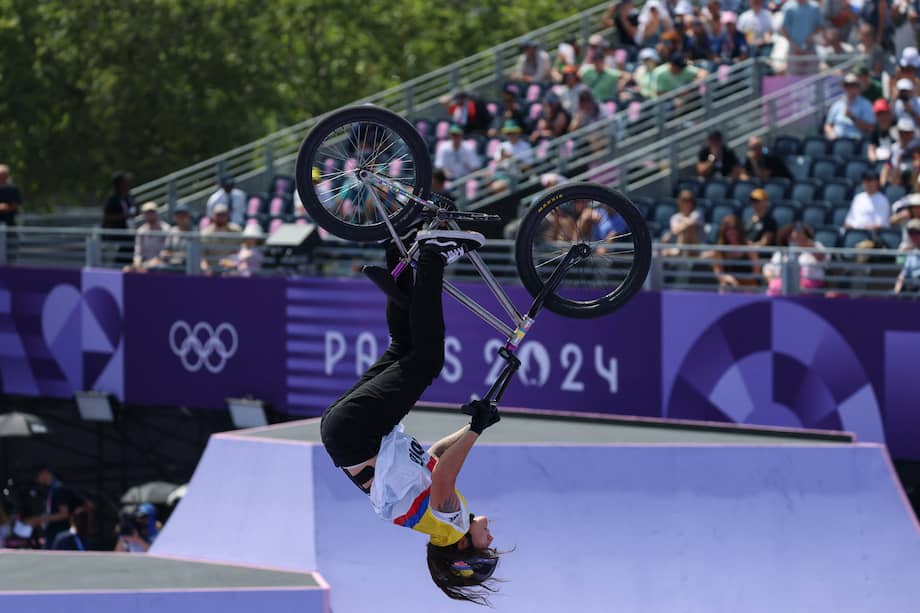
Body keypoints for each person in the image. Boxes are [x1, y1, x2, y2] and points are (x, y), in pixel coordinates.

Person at [320, 227, 504, 605]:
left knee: (428, 359)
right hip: (345, 435)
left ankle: (433, 254)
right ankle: (399, 246)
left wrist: (477, 431)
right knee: (404, 345)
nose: (491, 540)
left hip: (359, 433)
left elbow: (443, 473)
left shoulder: (449, 528)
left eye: (487, 548)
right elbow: (434, 454)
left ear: (464, 547)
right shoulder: (434, 523)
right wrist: (471, 426)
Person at [763, 223, 827, 295]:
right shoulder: (781, 253)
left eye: (800, 235)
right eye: (791, 237)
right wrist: (773, 281)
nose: (796, 239)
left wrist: (808, 244)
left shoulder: (815, 246)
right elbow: (768, 269)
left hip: (811, 289)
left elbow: (823, 257)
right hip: (783, 287)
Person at [22, 466, 78, 548]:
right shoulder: (51, 490)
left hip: (61, 534)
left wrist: (38, 519)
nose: (37, 479)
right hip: (54, 532)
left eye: (38, 476)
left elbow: (64, 514)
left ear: (45, 473)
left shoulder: (60, 490)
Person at [712, 214, 761, 289]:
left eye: (734, 228)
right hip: (729, 285)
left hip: (748, 285)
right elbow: (718, 273)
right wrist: (729, 279)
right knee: (724, 286)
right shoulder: (720, 249)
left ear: (739, 230)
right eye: (728, 229)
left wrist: (742, 282)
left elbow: (756, 272)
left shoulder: (748, 247)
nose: (731, 231)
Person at [824, 73, 875, 140]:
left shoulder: (866, 104)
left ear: (859, 87)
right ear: (844, 87)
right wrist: (831, 133)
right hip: (837, 142)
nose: (851, 88)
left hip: (856, 143)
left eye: (854, 85)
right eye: (848, 85)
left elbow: (870, 128)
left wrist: (852, 118)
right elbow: (828, 125)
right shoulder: (837, 104)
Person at [780, 0, 824, 75]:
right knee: (793, 79)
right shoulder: (788, 7)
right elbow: (783, 29)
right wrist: (794, 45)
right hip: (793, 50)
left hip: (811, 49)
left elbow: (820, 26)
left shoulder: (815, 7)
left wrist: (811, 37)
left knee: (812, 77)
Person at [126, 202, 171, 272]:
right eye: (147, 213)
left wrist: (148, 265)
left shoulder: (166, 229)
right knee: (127, 270)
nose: (150, 215)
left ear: (157, 213)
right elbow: (138, 253)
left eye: (152, 212)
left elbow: (166, 253)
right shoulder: (141, 231)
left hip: (162, 265)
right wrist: (137, 264)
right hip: (145, 264)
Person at [201, 203, 242, 275]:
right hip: (212, 271)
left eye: (223, 215)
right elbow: (203, 256)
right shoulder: (206, 233)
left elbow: (241, 250)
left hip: (231, 271)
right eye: (218, 215)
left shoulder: (236, 230)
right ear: (213, 216)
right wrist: (206, 269)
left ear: (227, 215)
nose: (221, 217)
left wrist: (232, 263)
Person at [662, 189, 704, 256]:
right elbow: (675, 230)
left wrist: (683, 223)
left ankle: (678, 251)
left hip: (697, 248)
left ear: (692, 203)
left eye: (688, 201)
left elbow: (689, 224)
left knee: (690, 228)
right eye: (683, 201)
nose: (686, 204)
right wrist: (686, 222)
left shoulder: (697, 214)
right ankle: (679, 251)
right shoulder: (675, 217)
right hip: (681, 245)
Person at [160, 203, 193, 269]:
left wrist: (175, 255)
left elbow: (193, 255)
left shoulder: (194, 233)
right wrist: (177, 255)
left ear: (189, 217)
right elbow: (166, 251)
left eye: (184, 216)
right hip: (172, 265)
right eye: (179, 216)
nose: (181, 219)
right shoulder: (172, 231)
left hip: (188, 266)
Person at [895, 218, 920, 294]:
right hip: (912, 286)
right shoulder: (911, 253)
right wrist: (896, 292)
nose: (913, 236)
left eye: (916, 232)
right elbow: (903, 274)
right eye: (911, 233)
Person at [868, 99, 897, 163]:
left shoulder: (896, 128)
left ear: (889, 113)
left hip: (894, 161)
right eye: (879, 114)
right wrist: (873, 157)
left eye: (884, 113)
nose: (882, 117)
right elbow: (871, 146)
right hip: (879, 162)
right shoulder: (875, 128)